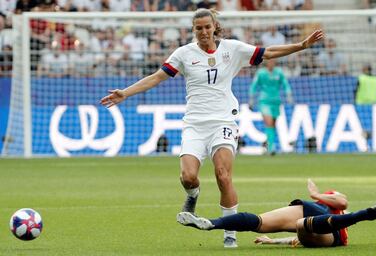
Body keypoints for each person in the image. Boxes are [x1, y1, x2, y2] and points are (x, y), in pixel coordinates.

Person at [100, 8, 324, 248]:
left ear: (214, 26)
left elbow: (268, 52)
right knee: (188, 177)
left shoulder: (233, 49)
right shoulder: (184, 54)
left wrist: (302, 45)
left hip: (224, 122)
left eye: (207, 27)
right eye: (199, 28)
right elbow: (156, 77)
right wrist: (125, 93)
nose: (204, 32)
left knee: (223, 176)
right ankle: (192, 195)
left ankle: (230, 232)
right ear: (194, 30)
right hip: (195, 124)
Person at [177, 179, 376, 248]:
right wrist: (272, 242)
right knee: (260, 222)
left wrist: (317, 194)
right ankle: (210, 223)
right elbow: (296, 239)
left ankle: (364, 215)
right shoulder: (311, 205)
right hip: (307, 223)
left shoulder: (329, 196)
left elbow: (343, 200)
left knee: (302, 224)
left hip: (334, 236)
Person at [249, 58, 293, 155]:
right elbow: (253, 86)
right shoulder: (261, 73)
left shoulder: (279, 72)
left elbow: (285, 84)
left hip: (276, 101)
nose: (271, 63)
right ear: (266, 63)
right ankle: (271, 147)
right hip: (264, 101)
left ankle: (270, 144)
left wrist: (288, 95)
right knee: (268, 123)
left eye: (273, 61)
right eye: (270, 61)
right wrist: (251, 100)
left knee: (273, 124)